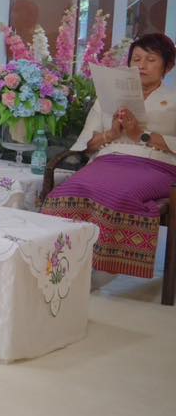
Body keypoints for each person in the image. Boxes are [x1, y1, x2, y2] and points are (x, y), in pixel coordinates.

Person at [43, 33, 176, 283]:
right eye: (136, 58)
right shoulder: (108, 97)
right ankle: (59, 261)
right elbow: (86, 145)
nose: (141, 65)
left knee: (118, 193)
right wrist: (112, 133)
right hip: (110, 159)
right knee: (64, 193)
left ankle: (103, 268)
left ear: (167, 66)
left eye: (151, 59)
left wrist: (142, 135)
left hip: (156, 165)